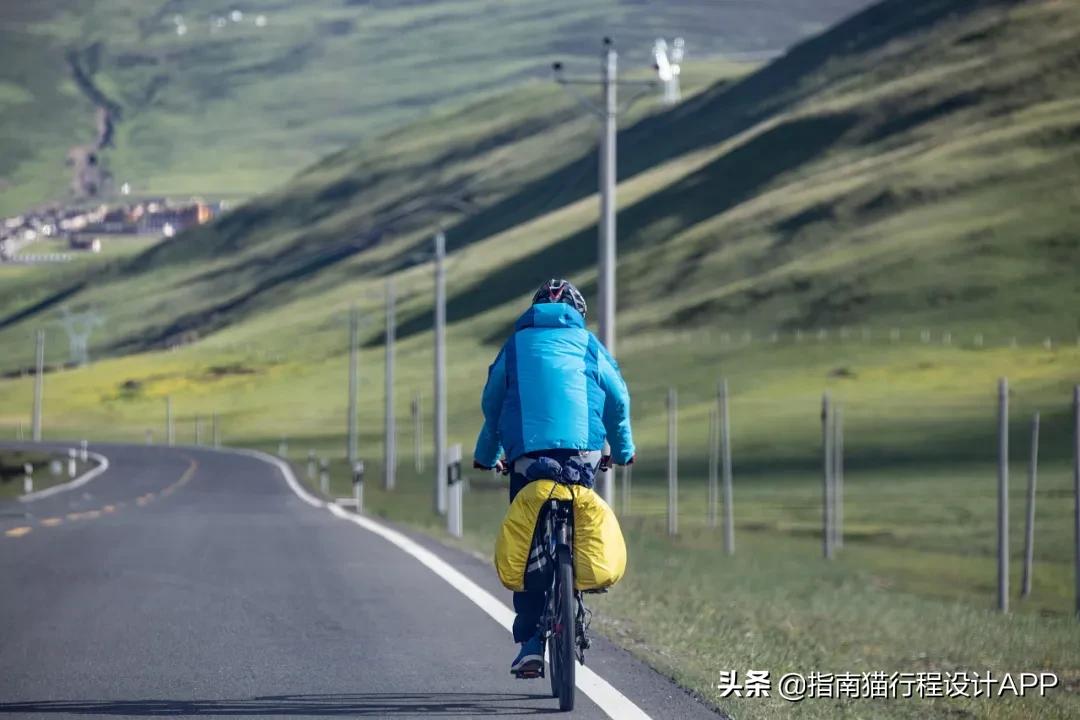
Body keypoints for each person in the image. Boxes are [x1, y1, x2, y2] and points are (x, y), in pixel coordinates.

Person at [473, 278, 635, 677]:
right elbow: (618, 400)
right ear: (578, 314)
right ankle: (573, 588)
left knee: (528, 542)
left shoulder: (514, 347)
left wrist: (487, 455)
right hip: (583, 455)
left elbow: (492, 406)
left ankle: (530, 640)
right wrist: (624, 450)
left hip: (528, 458)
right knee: (577, 517)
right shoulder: (590, 345)